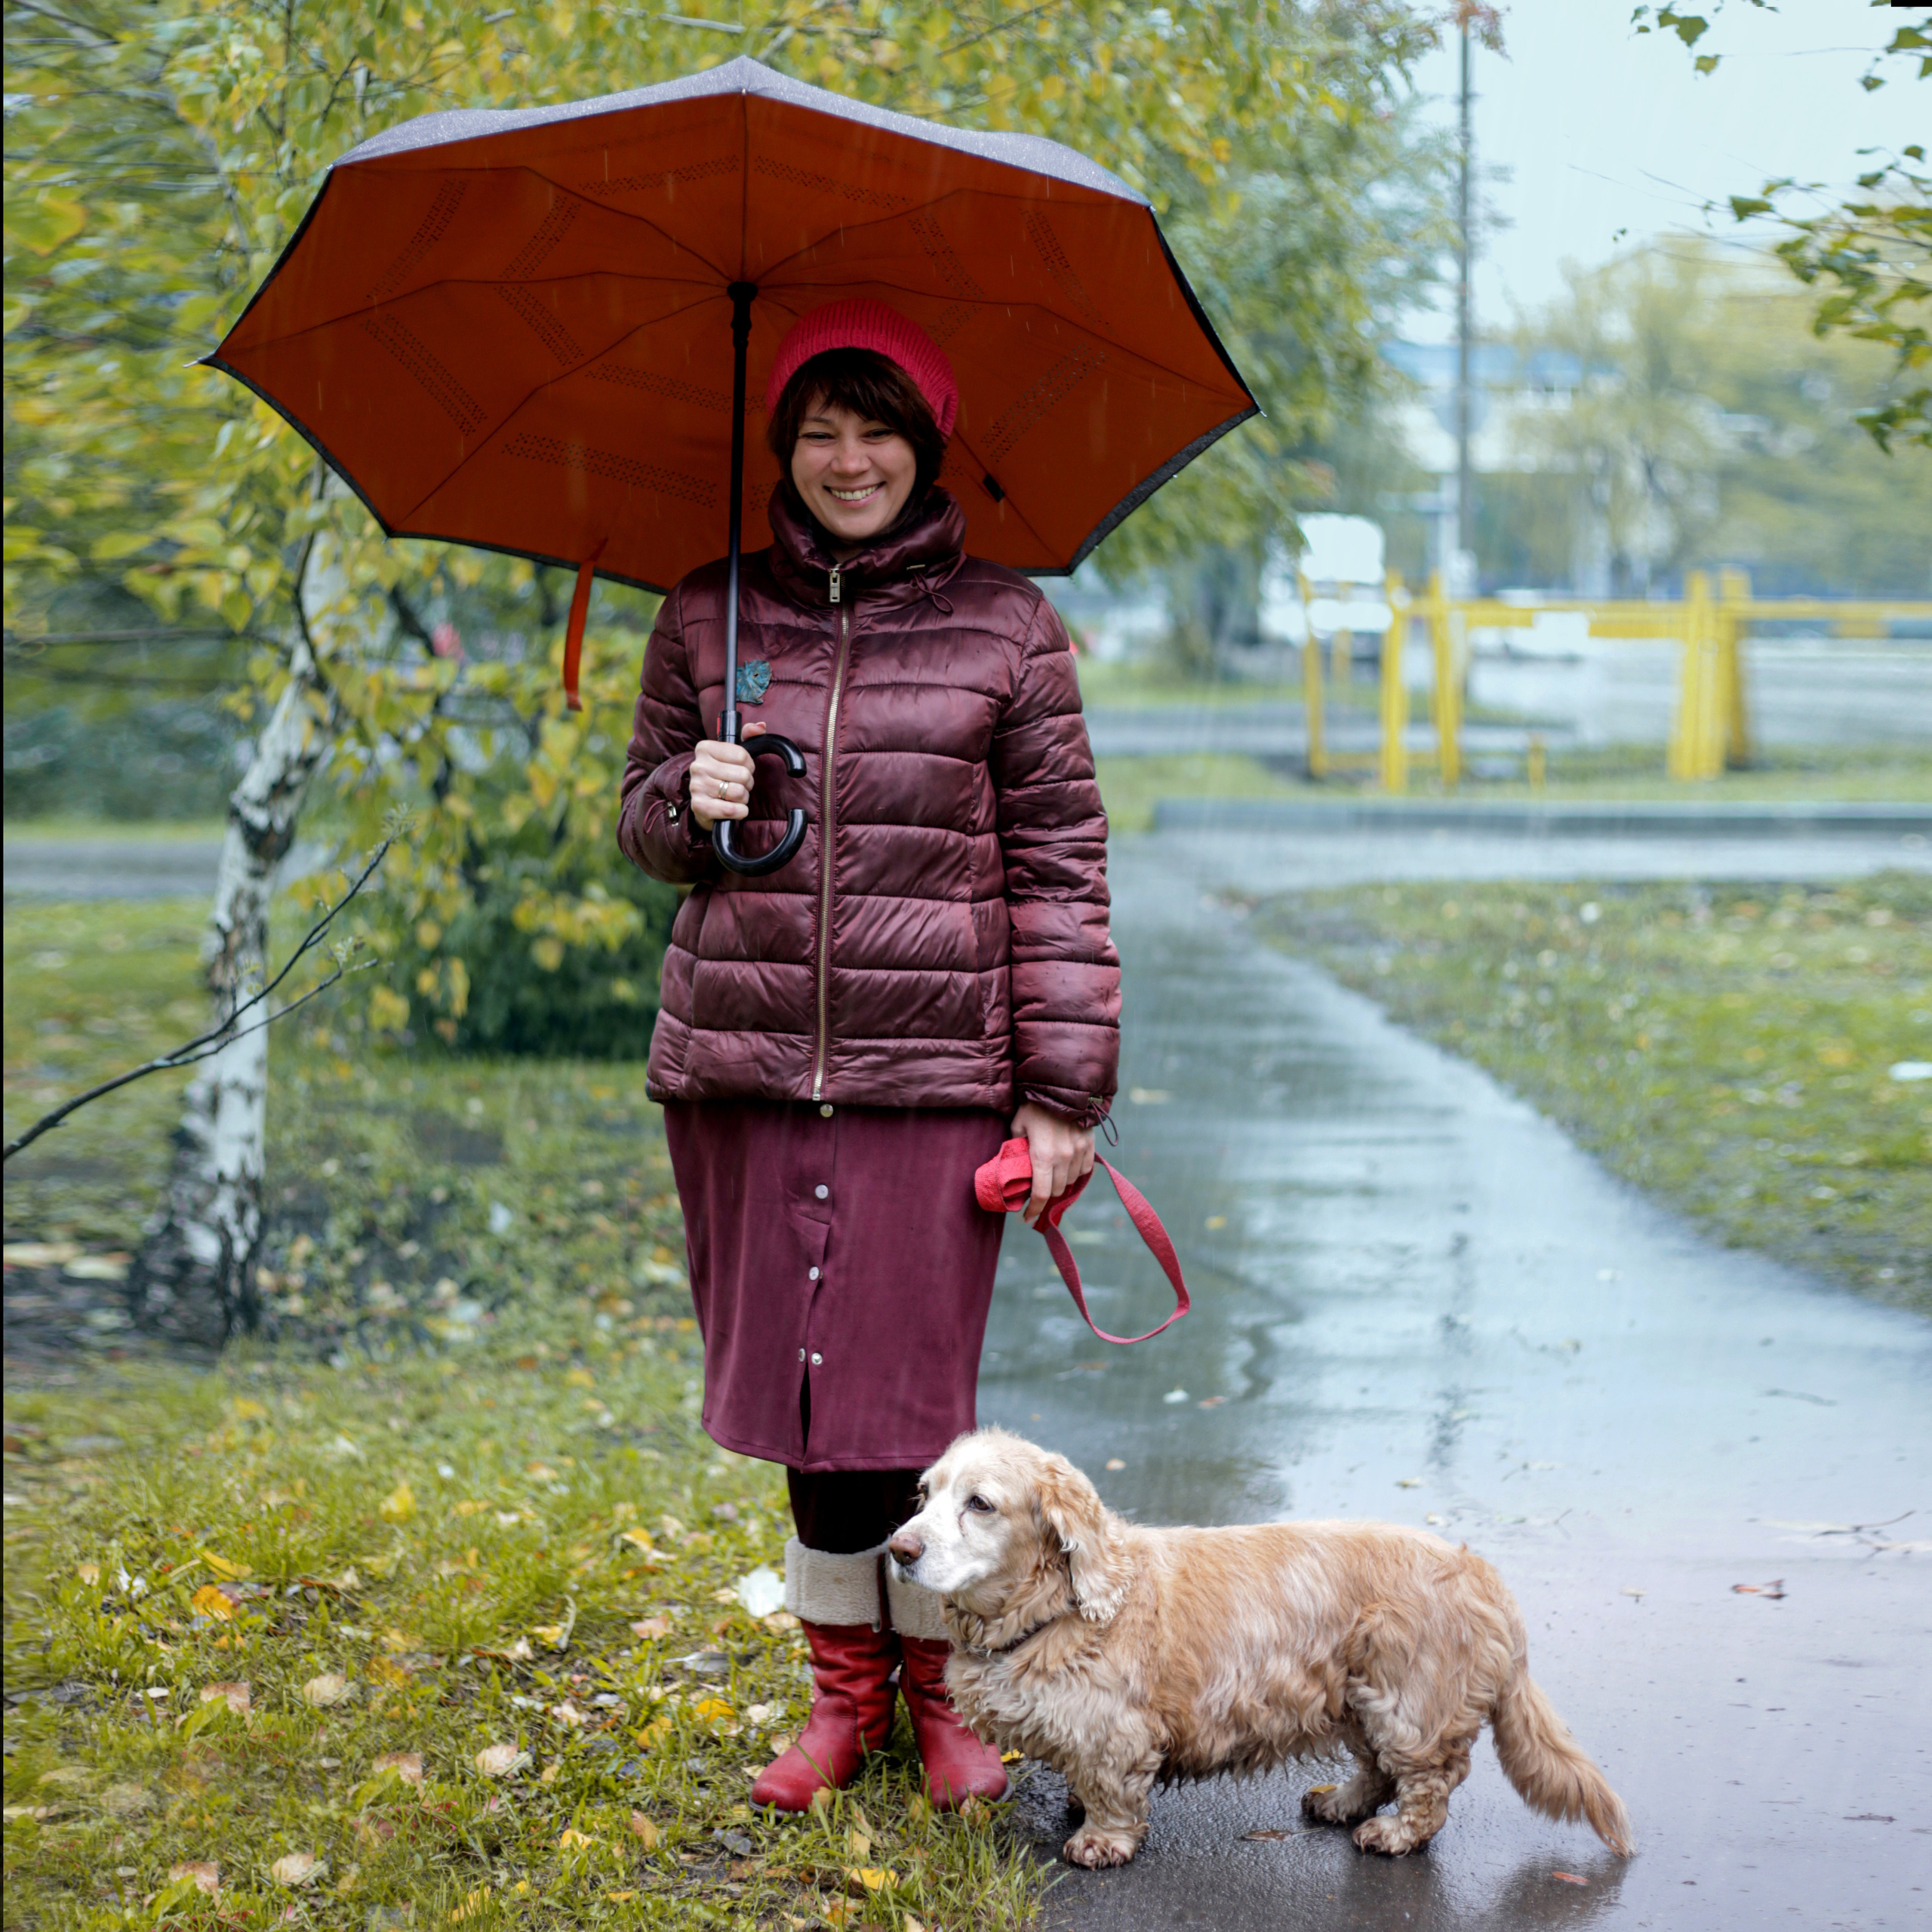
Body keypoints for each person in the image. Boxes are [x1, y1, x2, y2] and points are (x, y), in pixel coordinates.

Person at [617, 297, 1118, 1811]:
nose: (849, 460)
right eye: (820, 432)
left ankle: (944, 1698)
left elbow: (1060, 866)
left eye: (878, 431)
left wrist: (1061, 1093)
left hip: (932, 1081)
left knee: (904, 1405)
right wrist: (685, 798)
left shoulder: (1007, 628)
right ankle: (844, 1700)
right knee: (806, 1402)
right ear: (782, 447)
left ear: (926, 445)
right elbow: (643, 825)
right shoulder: (707, 613)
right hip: (745, 1070)